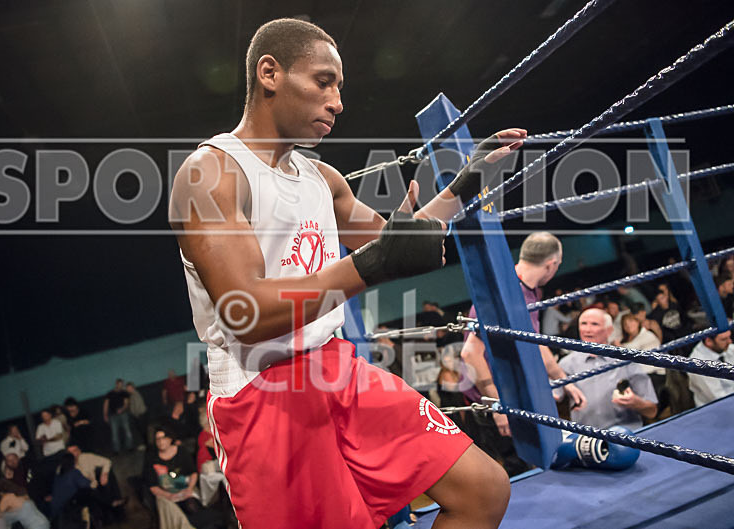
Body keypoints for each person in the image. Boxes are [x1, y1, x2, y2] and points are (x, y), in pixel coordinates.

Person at [169, 18, 523, 528]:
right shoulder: (212, 173)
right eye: (323, 81)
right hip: (262, 392)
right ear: (269, 73)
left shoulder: (323, 178)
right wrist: (373, 264)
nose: (337, 101)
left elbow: (389, 244)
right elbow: (246, 314)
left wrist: (462, 187)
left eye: (340, 87)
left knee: (483, 490)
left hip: (338, 367)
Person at [461, 232, 587, 439]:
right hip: (492, 404)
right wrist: (497, 406)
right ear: (551, 264)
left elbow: (535, 342)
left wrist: (564, 382)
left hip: (512, 396)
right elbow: (470, 354)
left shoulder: (528, 292)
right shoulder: (503, 293)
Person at [558, 309, 658, 430]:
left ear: (609, 330)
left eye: (595, 324)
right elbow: (553, 396)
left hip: (626, 436)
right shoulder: (567, 364)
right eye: (583, 324)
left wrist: (636, 403)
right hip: (587, 440)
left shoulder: (625, 361)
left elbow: (652, 411)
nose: (587, 330)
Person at [145, 426, 219, 529]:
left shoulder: (181, 451)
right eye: (158, 439)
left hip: (185, 489)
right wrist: (168, 495)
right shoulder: (152, 459)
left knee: (192, 506)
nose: (161, 442)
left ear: (170, 439)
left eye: (163, 438)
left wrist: (189, 488)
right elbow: (152, 486)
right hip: (165, 495)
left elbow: (193, 473)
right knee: (176, 514)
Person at [65, 445, 125, 522]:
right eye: (70, 452)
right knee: (89, 490)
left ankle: (114, 510)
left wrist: (104, 474)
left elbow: (107, 461)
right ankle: (112, 504)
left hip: (93, 486)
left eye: (75, 450)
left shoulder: (87, 457)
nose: (74, 454)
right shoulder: (67, 465)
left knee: (107, 477)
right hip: (79, 492)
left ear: (79, 451)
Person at [687, 330, 734, 407]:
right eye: (724, 339)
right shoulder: (699, 364)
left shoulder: (725, 348)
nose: (730, 341)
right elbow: (718, 397)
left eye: (729, 337)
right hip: (715, 408)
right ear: (708, 341)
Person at [103, 379, 133, 454]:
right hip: (113, 415)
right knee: (114, 434)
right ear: (116, 384)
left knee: (127, 431)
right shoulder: (110, 394)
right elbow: (106, 405)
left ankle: (129, 447)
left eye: (121, 385)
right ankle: (116, 450)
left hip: (123, 414)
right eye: (119, 384)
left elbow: (126, 403)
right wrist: (105, 415)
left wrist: (122, 409)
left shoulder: (124, 393)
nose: (120, 386)